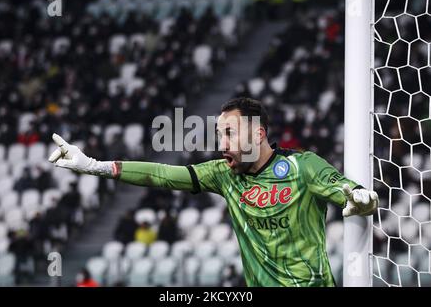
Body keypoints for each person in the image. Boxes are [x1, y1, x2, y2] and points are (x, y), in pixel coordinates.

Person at [48, 97, 379, 287]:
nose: (222, 145)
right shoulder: (223, 175)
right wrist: (94, 165)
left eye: (230, 134)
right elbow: (162, 174)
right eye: (220, 135)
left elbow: (348, 191)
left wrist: (361, 197)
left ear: (259, 133)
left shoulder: (301, 167)